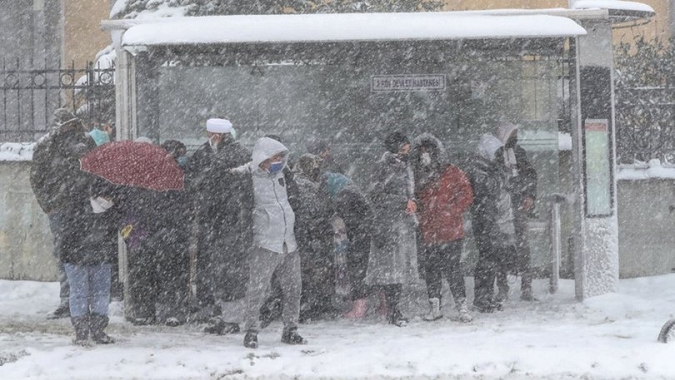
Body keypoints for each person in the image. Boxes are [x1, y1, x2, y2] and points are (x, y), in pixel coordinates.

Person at [234, 136, 307, 349]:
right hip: (264, 243)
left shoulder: (285, 176)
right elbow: (241, 209)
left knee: (294, 289)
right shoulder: (248, 178)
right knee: (257, 289)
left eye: (281, 157)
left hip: (289, 242)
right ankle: (251, 331)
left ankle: (291, 328)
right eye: (275, 157)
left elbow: (295, 202)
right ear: (263, 157)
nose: (279, 161)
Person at [29, 108, 96, 319]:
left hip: (85, 207)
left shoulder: (85, 143)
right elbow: (36, 179)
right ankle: (68, 299)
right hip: (60, 208)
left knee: (90, 251)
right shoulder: (45, 146)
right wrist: (49, 204)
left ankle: (87, 299)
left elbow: (96, 171)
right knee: (64, 253)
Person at [184, 118, 251, 321]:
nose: (210, 138)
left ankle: (227, 305)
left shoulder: (236, 153)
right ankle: (212, 302)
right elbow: (192, 178)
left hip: (228, 216)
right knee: (209, 260)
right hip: (211, 216)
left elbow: (241, 181)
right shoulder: (205, 153)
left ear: (219, 135)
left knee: (226, 262)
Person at [411, 133, 474, 323]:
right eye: (421, 152)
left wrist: (452, 210)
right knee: (432, 270)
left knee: (453, 269)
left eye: (428, 151)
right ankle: (435, 307)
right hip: (429, 231)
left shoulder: (452, 172)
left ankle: (462, 306)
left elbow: (467, 194)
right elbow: (415, 199)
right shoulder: (417, 176)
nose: (425, 155)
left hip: (451, 230)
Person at [365, 131, 420, 327]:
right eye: (404, 147)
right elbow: (375, 195)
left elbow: (410, 191)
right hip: (388, 225)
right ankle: (393, 310)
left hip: (404, 224)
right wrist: (402, 202)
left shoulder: (406, 165)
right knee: (391, 270)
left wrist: (412, 202)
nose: (407, 150)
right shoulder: (383, 167)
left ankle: (394, 309)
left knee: (399, 269)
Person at [64, 178, 121, 345]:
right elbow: (70, 235)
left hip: (99, 256)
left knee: (98, 293)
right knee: (84, 292)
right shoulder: (79, 206)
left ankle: (94, 329)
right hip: (78, 256)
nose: (111, 200)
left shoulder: (112, 211)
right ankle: (85, 331)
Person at [468, 133, 518, 313]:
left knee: (492, 259)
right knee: (486, 260)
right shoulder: (479, 170)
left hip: (492, 220)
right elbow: (489, 188)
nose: (498, 156)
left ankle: (486, 296)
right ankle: (482, 298)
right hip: (485, 220)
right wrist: (501, 174)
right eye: (496, 153)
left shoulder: (488, 168)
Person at [493, 122, 538, 302]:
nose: (515, 137)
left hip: (517, 205)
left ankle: (526, 286)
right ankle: (502, 287)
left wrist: (529, 195)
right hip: (501, 207)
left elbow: (530, 175)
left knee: (523, 247)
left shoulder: (519, 153)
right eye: (512, 134)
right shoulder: (495, 155)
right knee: (501, 247)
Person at [321, 172, 374, 320]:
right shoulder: (352, 190)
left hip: (358, 236)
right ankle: (364, 305)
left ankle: (359, 308)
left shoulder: (343, 195)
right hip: (364, 234)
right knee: (362, 269)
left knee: (357, 269)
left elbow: (347, 218)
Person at [293, 154, 336, 322]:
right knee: (310, 271)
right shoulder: (307, 186)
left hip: (304, 234)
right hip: (309, 234)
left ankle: (308, 304)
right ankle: (309, 305)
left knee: (306, 271)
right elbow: (319, 209)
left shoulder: (298, 183)